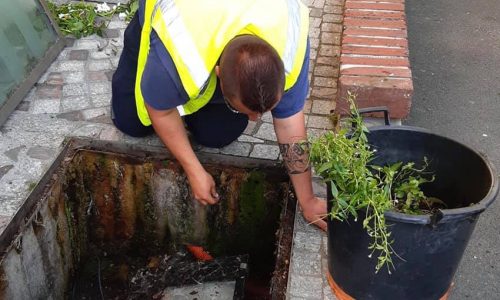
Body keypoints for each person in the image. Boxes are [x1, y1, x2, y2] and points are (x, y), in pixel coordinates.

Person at [111, 0, 327, 230]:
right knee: (132, 124)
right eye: (247, 111)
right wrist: (193, 170)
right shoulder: (176, 46)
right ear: (218, 75)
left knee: (218, 135)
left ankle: (190, 100)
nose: (255, 120)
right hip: (167, 18)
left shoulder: (291, 46)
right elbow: (160, 111)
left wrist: (308, 200)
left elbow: (290, 128)